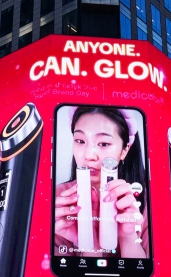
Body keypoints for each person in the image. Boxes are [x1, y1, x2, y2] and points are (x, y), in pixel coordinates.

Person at [54, 107, 148, 258]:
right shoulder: (58, 200)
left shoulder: (146, 203)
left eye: (103, 144)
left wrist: (128, 238)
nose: (89, 155)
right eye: (80, 141)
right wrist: (89, 245)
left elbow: (154, 273)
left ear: (124, 150)